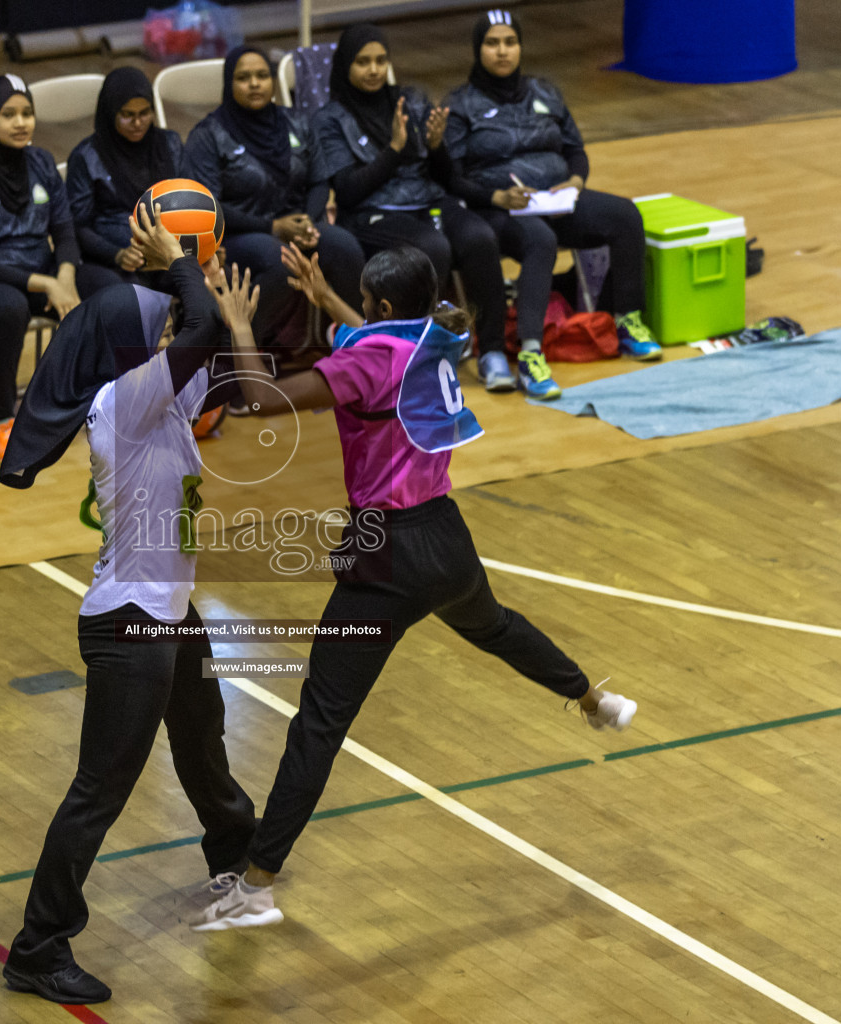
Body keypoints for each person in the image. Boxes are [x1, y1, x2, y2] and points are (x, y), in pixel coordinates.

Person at [193, 244, 638, 930]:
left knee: (320, 722)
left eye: (366, 304)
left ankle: (255, 887)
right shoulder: (438, 335)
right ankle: (592, 698)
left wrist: (240, 325)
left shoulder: (372, 356)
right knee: (495, 627)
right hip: (446, 539)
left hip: (387, 557)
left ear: (384, 308)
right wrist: (329, 302)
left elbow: (261, 398)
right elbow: (376, 342)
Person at [0, 210, 255, 1005]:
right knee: (99, 791)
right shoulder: (126, 402)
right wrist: (180, 263)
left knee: (205, 749)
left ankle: (233, 866)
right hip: (131, 622)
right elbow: (198, 326)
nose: (172, 331)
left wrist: (227, 314)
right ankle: (38, 948)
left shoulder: (161, 398)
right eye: (160, 327)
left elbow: (241, 384)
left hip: (168, 613)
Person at [444, 9, 662, 399]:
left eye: (510, 42)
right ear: (478, 50)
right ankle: (530, 356)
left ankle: (627, 319)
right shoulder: (461, 105)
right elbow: (451, 176)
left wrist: (575, 183)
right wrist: (496, 197)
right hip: (499, 209)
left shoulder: (545, 92)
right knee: (539, 240)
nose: (502, 51)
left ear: (520, 47)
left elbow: (576, 151)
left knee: (625, 215)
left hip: (555, 200)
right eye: (492, 43)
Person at [311, 24, 505, 375]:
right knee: (433, 246)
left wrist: (436, 147)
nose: (373, 70)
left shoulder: (411, 100)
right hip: (372, 212)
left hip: (427, 199)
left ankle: (492, 351)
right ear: (345, 66)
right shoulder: (330, 119)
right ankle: (420, 350)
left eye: (381, 61)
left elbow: (446, 178)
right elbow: (349, 192)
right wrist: (395, 150)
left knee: (480, 238)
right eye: (363, 62)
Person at [182, 45, 365, 358]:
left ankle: (358, 351)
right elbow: (206, 207)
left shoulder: (296, 122)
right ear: (229, 84)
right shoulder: (209, 135)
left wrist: (308, 220)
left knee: (345, 247)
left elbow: (320, 180)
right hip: (238, 234)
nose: (255, 84)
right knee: (279, 260)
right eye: (244, 78)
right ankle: (239, 362)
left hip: (296, 225)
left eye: (262, 76)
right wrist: (273, 226)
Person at [0, 73, 82, 462]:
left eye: (27, 113)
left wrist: (67, 276)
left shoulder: (41, 163)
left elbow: (66, 232)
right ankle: (2, 418)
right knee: (10, 307)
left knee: (102, 289)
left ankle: (83, 400)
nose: (21, 123)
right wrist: (48, 283)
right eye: (9, 114)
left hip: (40, 273)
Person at [65, 67, 183, 299]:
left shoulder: (169, 144)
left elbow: (187, 200)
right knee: (135, 302)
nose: (138, 122)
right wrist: (116, 254)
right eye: (128, 115)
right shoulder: (87, 157)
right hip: (117, 260)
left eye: (145, 113)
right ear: (110, 113)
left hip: (169, 251)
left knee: (214, 282)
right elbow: (78, 227)